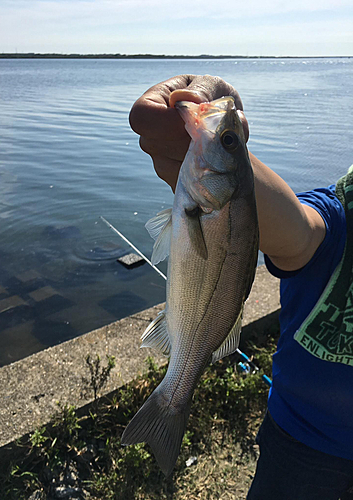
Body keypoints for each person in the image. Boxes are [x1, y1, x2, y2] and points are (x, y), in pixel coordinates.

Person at [129, 74, 353, 499]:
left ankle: (170, 401)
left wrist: (223, 145)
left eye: (229, 143)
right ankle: (171, 400)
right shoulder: (340, 215)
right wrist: (210, 143)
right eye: (229, 145)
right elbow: (300, 231)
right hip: (304, 440)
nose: (226, 143)